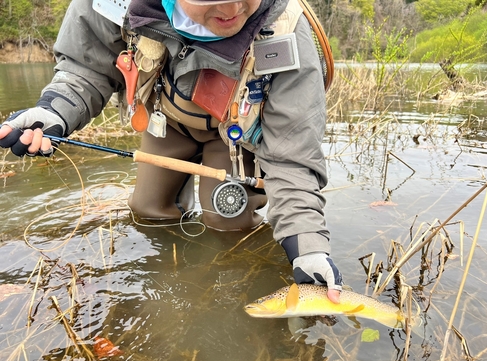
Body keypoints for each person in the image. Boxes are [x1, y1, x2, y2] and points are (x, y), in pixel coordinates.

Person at [0, 0, 343, 302]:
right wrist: (55, 111)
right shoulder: (113, 3)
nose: (232, 9)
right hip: (166, 121)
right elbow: (86, 68)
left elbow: (292, 156)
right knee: (147, 211)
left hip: (237, 138)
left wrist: (308, 247)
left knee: (227, 221)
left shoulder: (286, 30)